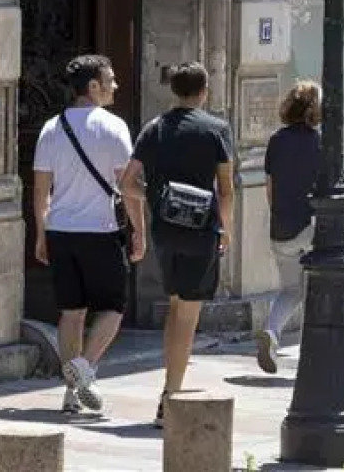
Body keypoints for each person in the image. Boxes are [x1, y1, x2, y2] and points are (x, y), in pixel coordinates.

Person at [32, 54, 146, 419]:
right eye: (110, 80)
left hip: (61, 231)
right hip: (100, 232)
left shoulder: (52, 128)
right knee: (113, 308)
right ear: (93, 86)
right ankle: (84, 369)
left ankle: (70, 391)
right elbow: (128, 187)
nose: (116, 85)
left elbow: (40, 190)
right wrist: (139, 231)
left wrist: (41, 231)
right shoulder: (113, 128)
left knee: (71, 312)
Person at [124, 62, 235, 426]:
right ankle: (170, 397)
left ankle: (171, 386)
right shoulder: (216, 129)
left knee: (175, 307)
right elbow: (227, 189)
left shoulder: (154, 129)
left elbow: (127, 183)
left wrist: (154, 198)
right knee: (188, 314)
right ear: (204, 91)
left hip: (166, 230)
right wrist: (227, 228)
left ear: (174, 90)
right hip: (201, 229)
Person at [255, 78, 321, 373]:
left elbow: (270, 188)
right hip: (311, 225)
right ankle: (319, 346)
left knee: (291, 289)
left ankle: (272, 331)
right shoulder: (319, 142)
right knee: (324, 288)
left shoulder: (276, 141)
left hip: (282, 227)